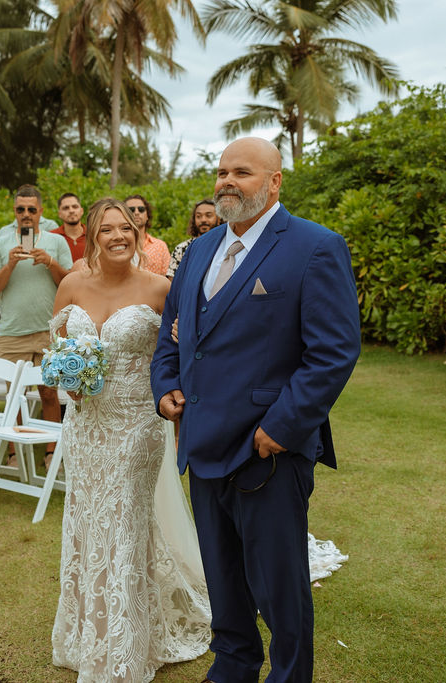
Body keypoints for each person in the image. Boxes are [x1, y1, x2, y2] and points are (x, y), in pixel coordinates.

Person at [151, 137, 361, 682]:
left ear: (275, 181)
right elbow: (172, 337)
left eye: (241, 172)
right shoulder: (196, 252)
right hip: (200, 442)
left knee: (278, 586)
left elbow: (333, 352)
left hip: (267, 449)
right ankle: (234, 666)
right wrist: (166, 385)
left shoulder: (315, 247)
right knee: (221, 576)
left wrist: (281, 428)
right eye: (221, 171)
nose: (226, 181)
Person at [50, 198, 210, 681]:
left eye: (127, 227)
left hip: (137, 423)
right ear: (92, 237)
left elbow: (186, 351)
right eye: (107, 230)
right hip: (84, 424)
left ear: (139, 232)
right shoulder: (71, 284)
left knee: (124, 521)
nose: (119, 236)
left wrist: (185, 343)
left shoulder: (162, 287)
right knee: (86, 520)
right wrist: (68, 380)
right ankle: (86, 630)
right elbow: (55, 344)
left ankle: (124, 643)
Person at [0, 185, 73, 462]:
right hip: (12, 332)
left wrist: (50, 262)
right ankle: (15, 453)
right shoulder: (0, 243)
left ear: (40, 212)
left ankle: (51, 453)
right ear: (14, 211)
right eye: (21, 209)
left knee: (48, 393)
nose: (26, 215)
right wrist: (9, 264)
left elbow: (69, 283)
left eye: (31, 210)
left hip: (47, 330)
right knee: (14, 396)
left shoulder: (56, 241)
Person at [167, 198, 218, 279]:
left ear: (219, 218)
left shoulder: (225, 246)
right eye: (198, 216)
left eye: (209, 215)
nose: (203, 220)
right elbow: (171, 282)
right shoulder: (182, 249)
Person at [125, 194, 171, 276]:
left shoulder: (160, 246)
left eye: (141, 209)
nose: (136, 212)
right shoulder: (118, 244)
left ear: (147, 216)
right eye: (131, 210)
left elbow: (168, 278)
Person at [51, 193, 87, 262]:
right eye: (66, 208)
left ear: (81, 211)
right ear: (59, 214)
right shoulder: (51, 237)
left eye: (75, 207)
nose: (71, 211)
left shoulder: (94, 235)